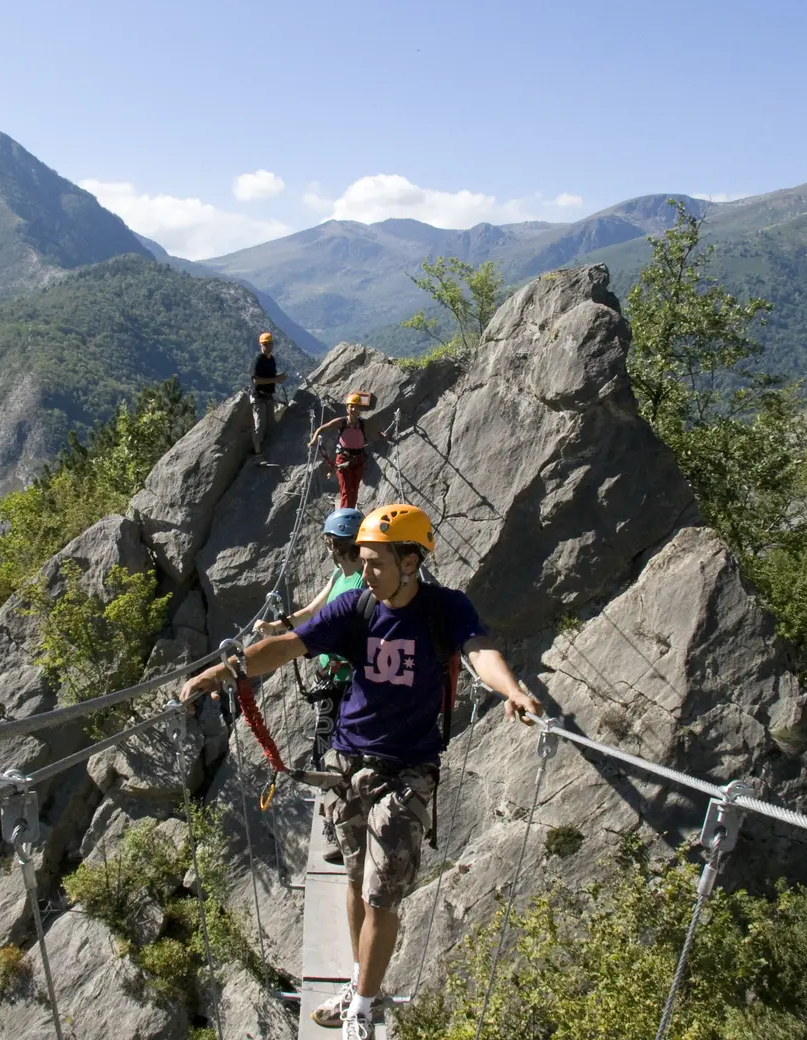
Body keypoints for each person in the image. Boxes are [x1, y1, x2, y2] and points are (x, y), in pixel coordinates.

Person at [182, 503, 543, 1039]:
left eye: (374, 561)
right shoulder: (355, 607)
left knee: (381, 893)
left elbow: (479, 649)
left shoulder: (445, 609)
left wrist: (510, 688)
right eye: (361, 560)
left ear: (411, 560)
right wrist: (226, 671)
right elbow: (287, 646)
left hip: (408, 770)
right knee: (354, 879)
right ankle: (358, 983)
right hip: (348, 763)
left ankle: (364, 1008)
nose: (363, 571)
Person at [258, 507, 367, 866]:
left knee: (336, 753)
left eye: (329, 541)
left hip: (348, 680)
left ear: (338, 544)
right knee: (327, 749)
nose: (326, 546)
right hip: (331, 679)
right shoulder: (341, 574)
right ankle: (340, 823)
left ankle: (342, 830)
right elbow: (314, 611)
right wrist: (279, 626)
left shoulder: (364, 582)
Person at [310, 394, 378, 510]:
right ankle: (345, 515)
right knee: (346, 490)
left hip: (358, 460)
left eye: (356, 407)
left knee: (354, 490)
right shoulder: (342, 422)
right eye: (351, 406)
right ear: (347, 408)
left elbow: (375, 431)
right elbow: (321, 428)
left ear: (360, 409)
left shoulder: (362, 423)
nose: (353, 409)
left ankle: (350, 513)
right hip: (344, 459)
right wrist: (314, 440)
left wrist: (385, 436)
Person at [251, 332, 286, 460]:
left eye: (270, 343)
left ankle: (266, 451)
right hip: (259, 397)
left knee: (271, 426)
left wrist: (278, 378)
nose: (268, 346)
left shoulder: (271, 360)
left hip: (268, 396)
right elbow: (256, 381)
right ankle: (257, 455)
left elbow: (272, 377)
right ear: (261, 345)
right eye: (265, 344)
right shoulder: (258, 360)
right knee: (259, 426)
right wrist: (275, 379)